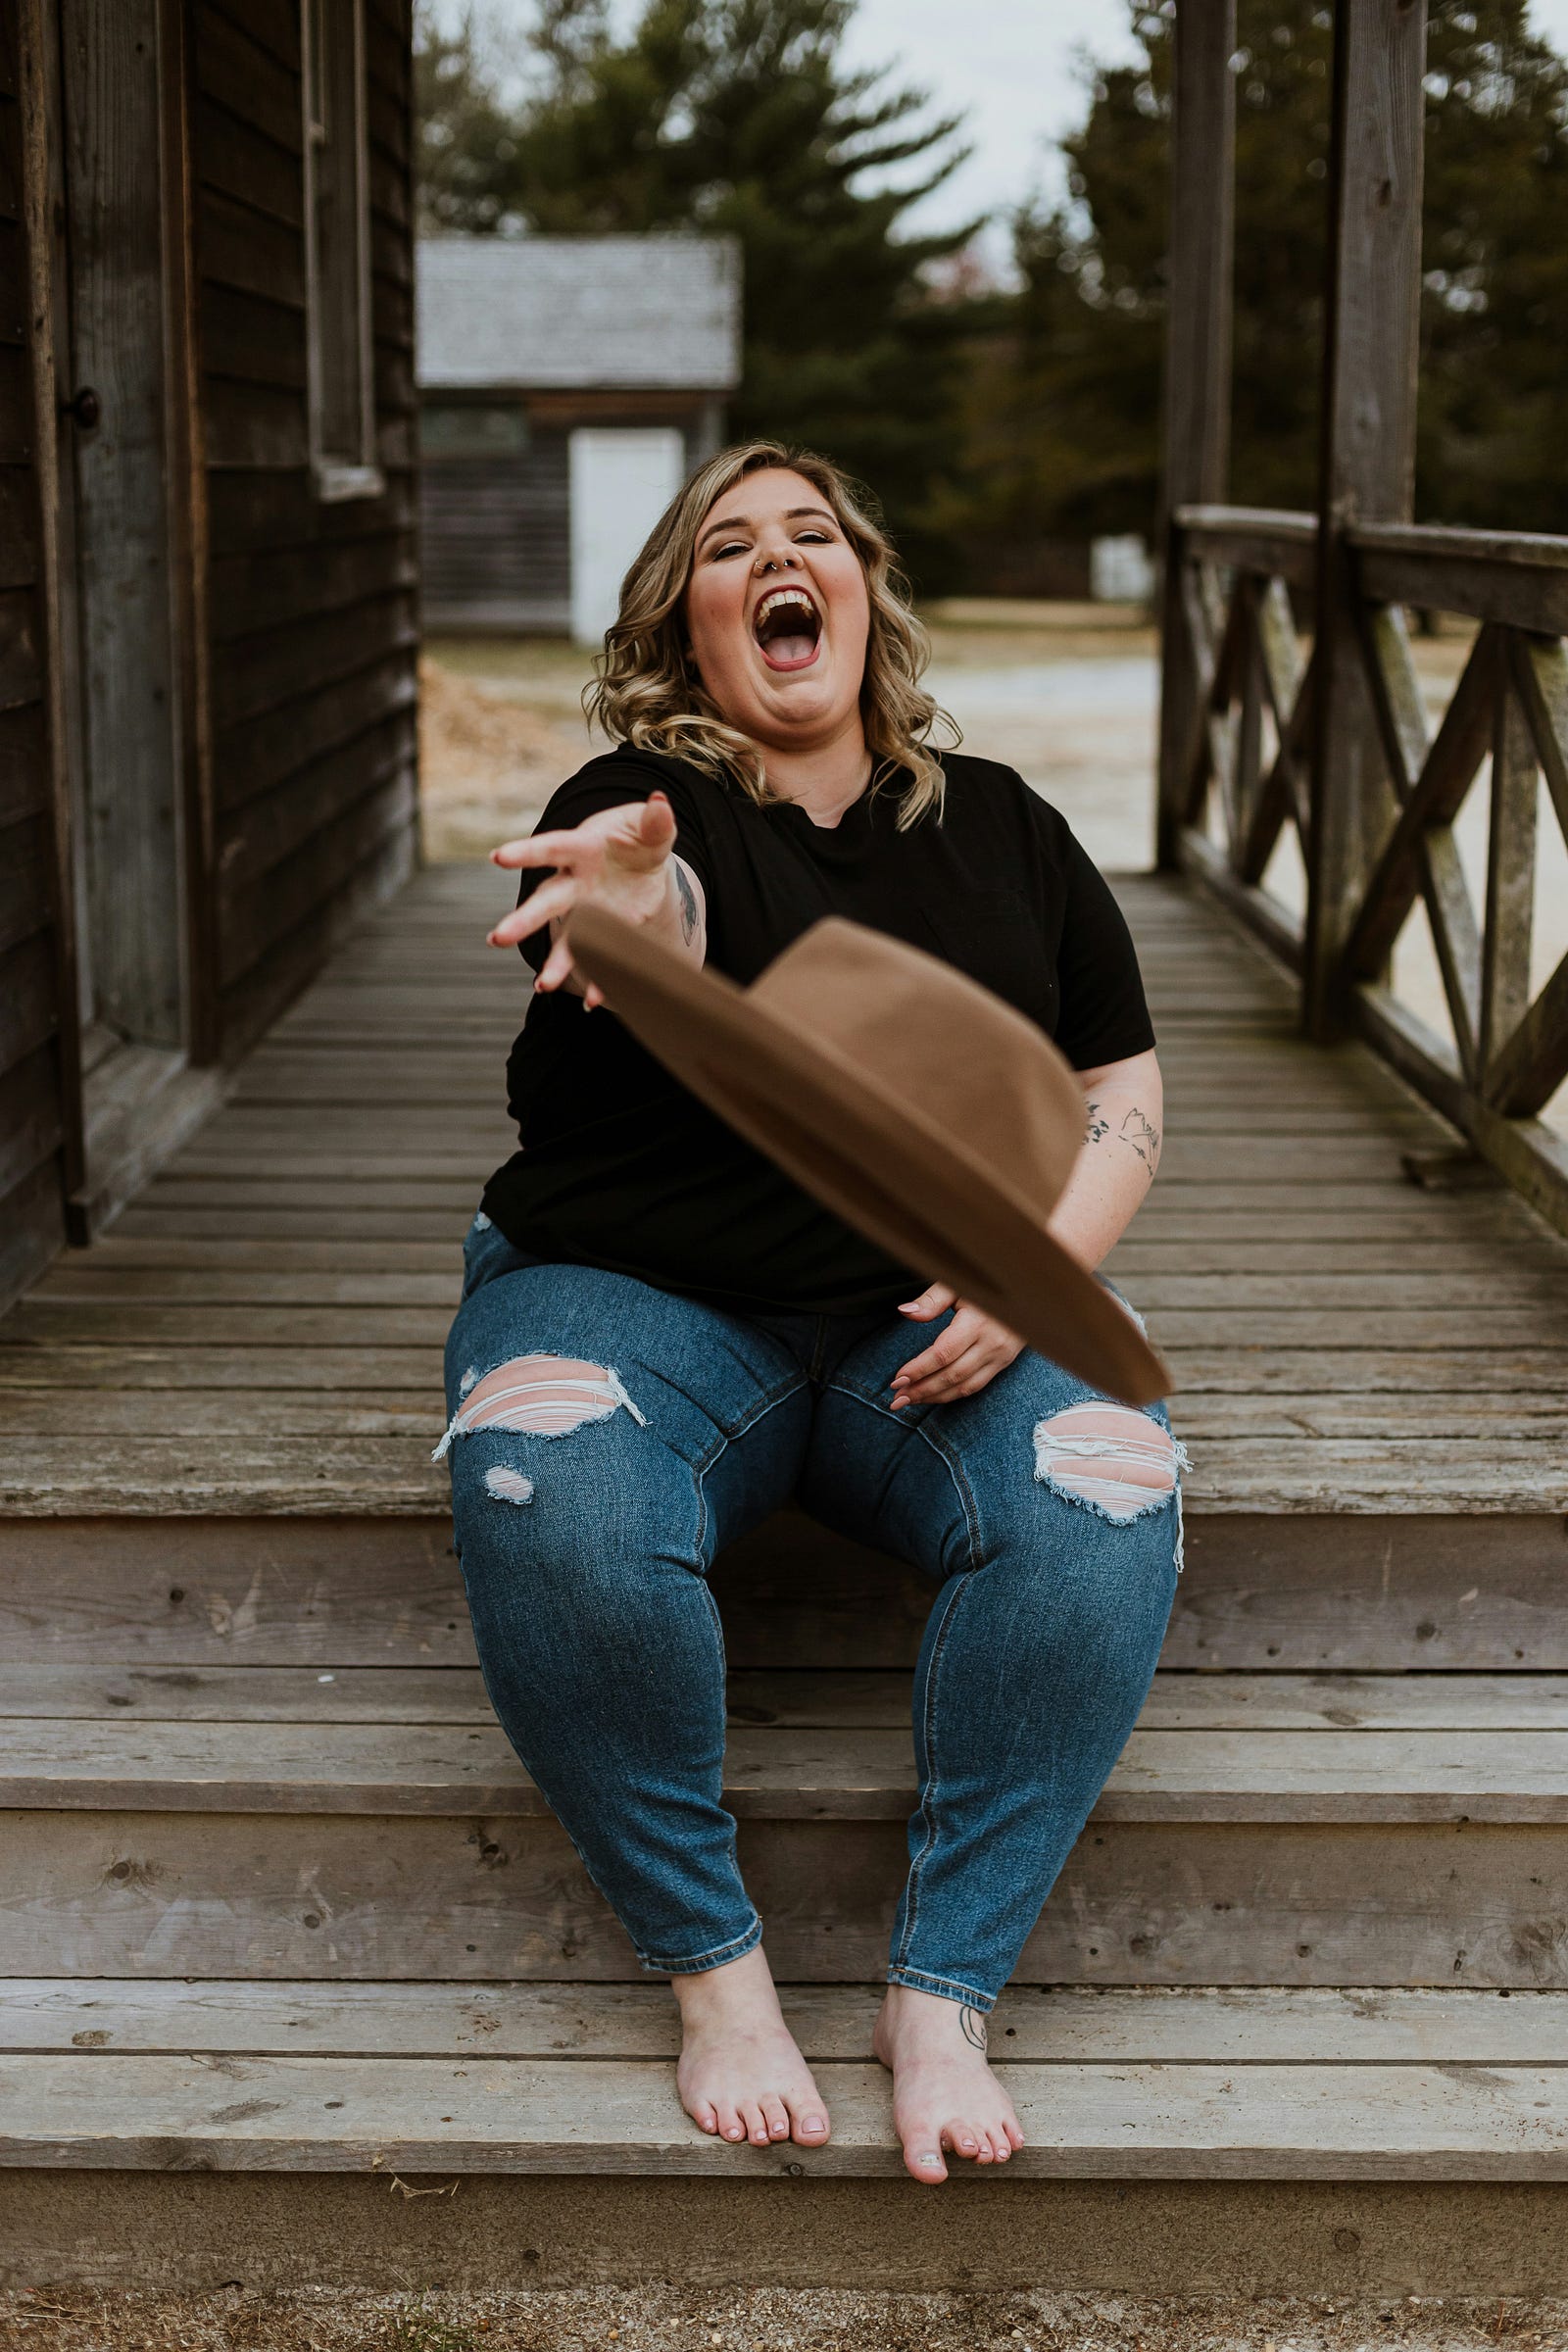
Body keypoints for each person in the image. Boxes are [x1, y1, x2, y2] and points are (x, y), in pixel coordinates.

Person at [437, 440, 1183, 2187]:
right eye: (727, 547)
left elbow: (1121, 1081)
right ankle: (718, 1972)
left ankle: (943, 1993)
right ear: (687, 629)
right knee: (547, 1485)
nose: (779, 560)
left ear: (859, 587)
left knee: (1109, 1485)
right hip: (639, 1304)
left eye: (811, 534)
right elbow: (658, 920)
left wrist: (1038, 1264)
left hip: (921, 1335)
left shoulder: (1002, 823)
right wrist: (632, 899)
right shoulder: (646, 802)